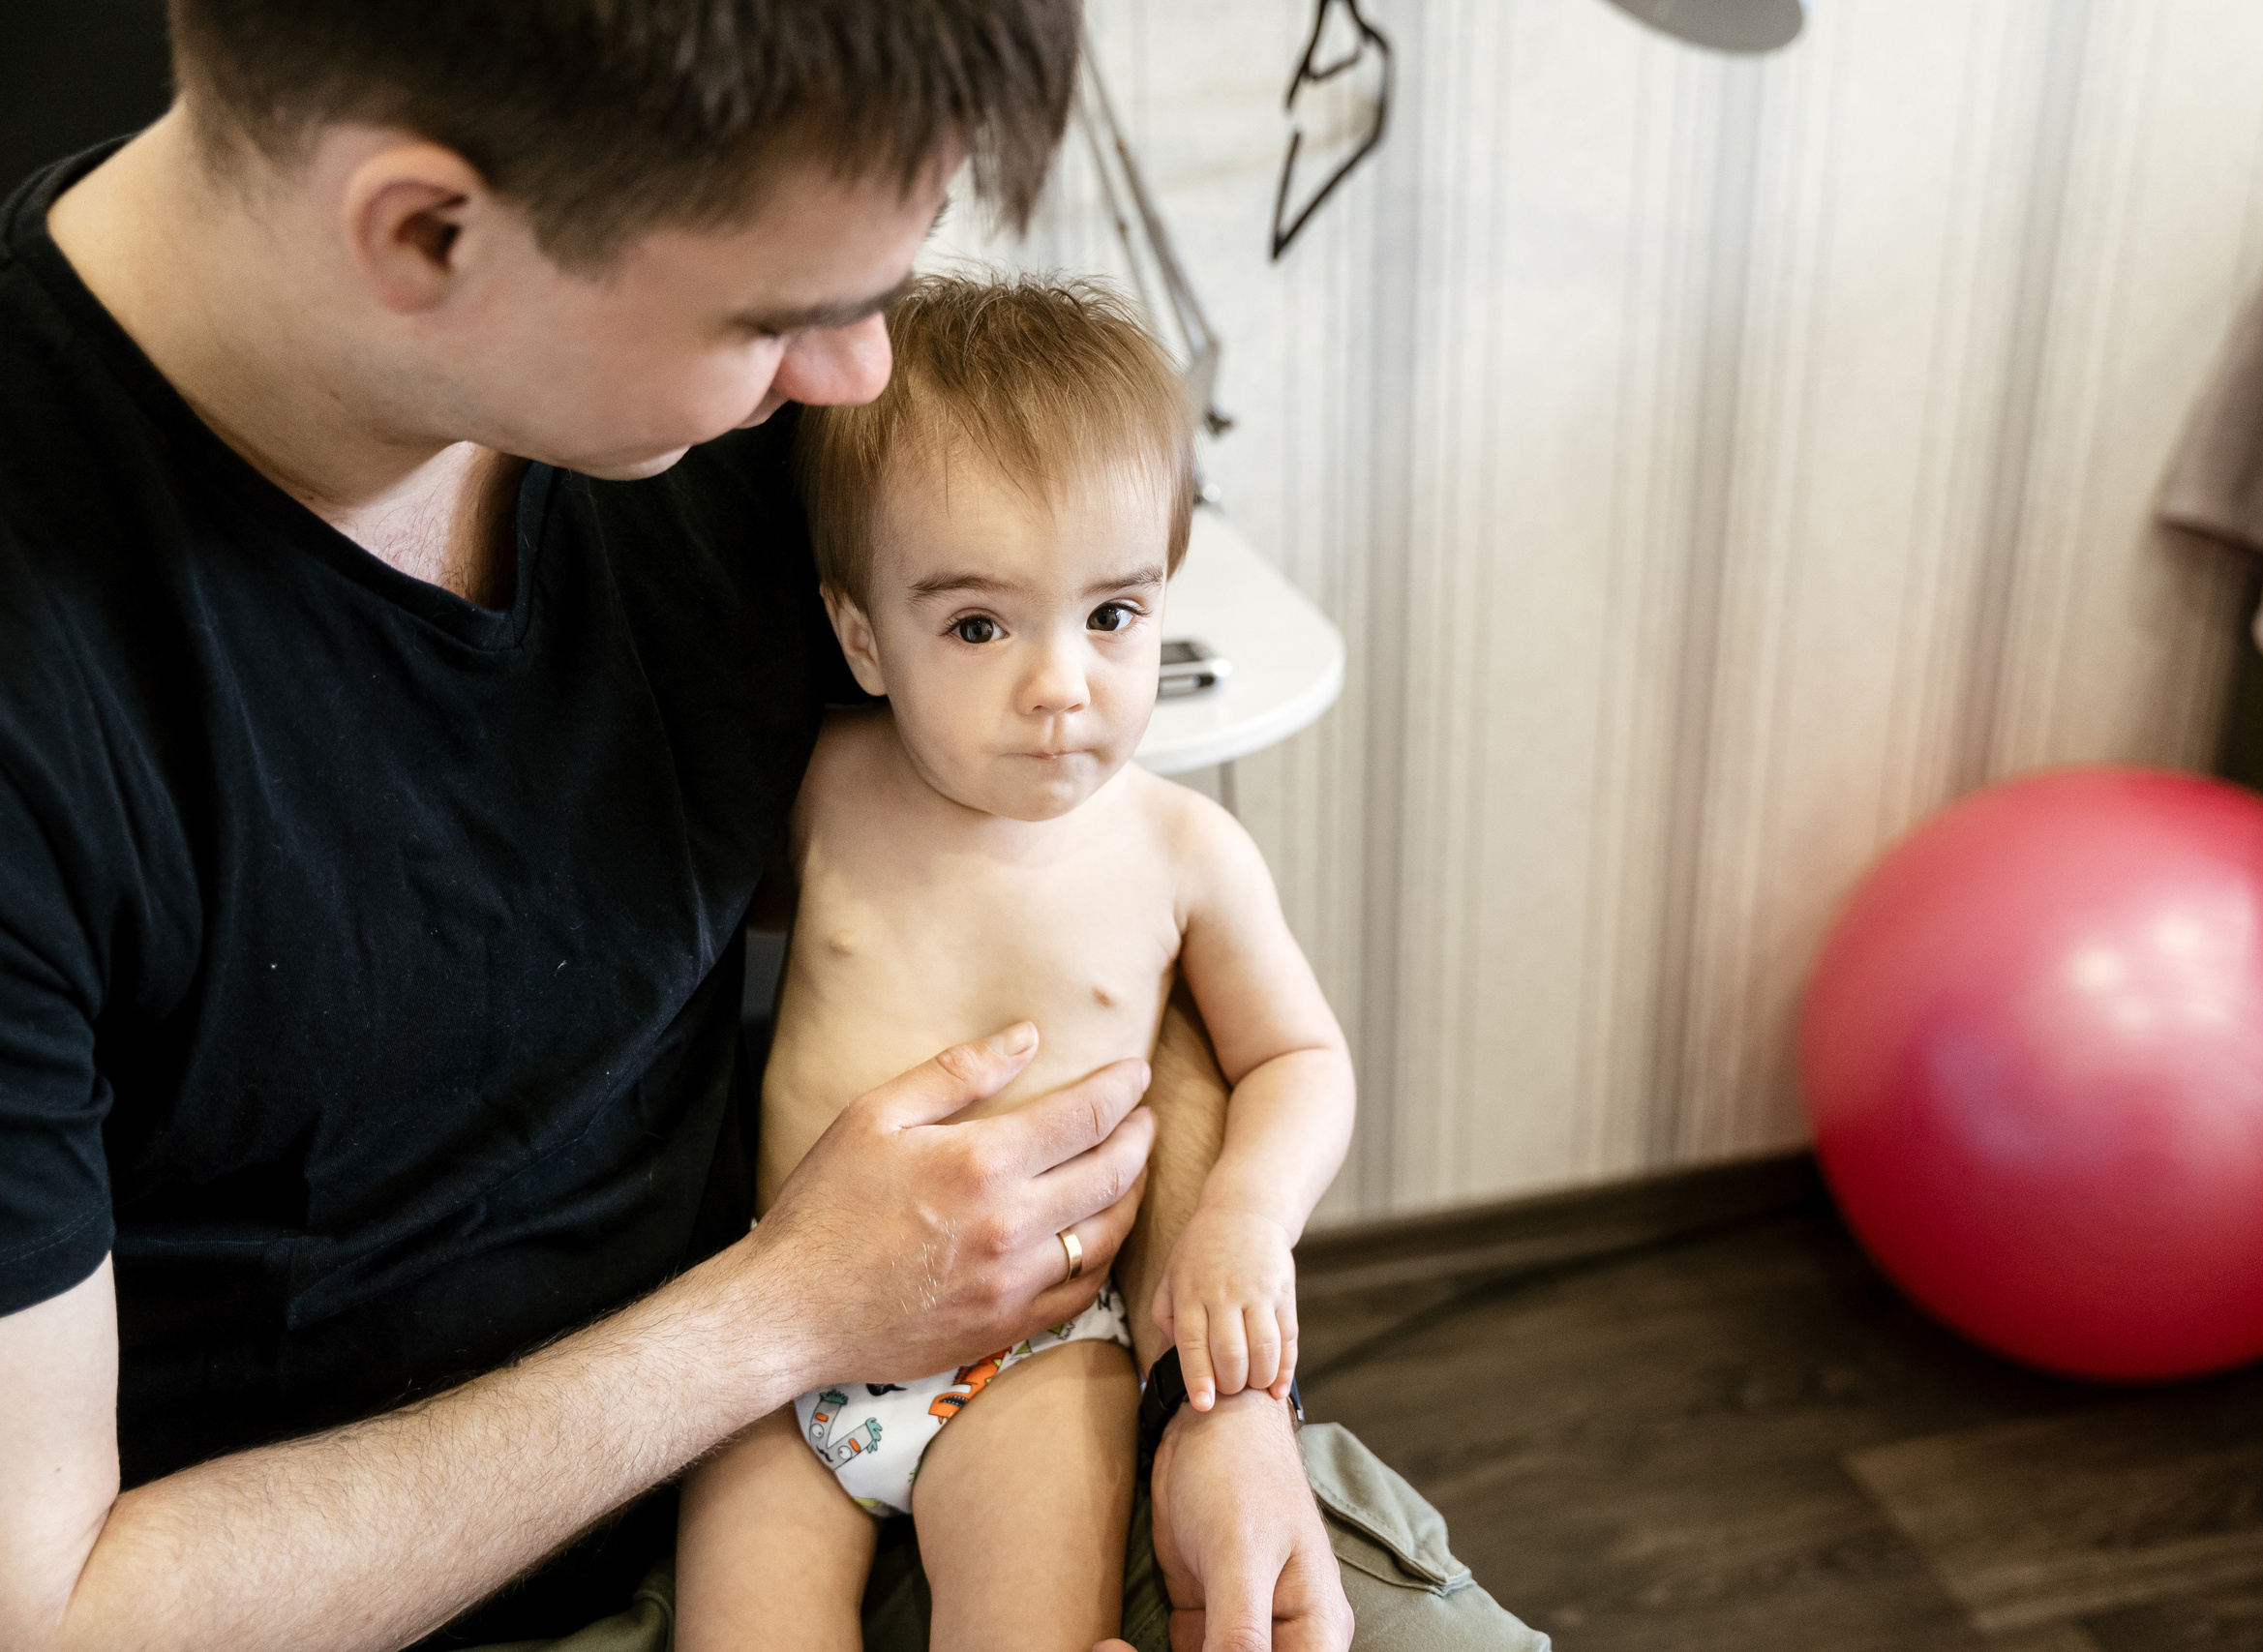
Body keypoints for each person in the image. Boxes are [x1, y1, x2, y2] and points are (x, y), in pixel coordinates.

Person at [0, 4, 1546, 1650]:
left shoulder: (718, 417)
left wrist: (1206, 1386)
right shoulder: (52, 698)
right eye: (783, 317)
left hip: (925, 1399)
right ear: (430, 233)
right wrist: (782, 1313)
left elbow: (1079, 903)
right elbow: (59, 1614)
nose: (857, 373)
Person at [674, 274, 1357, 1651]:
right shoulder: (820, 787)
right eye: (981, 626)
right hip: (786, 1337)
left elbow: (1301, 1057)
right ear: (864, 638)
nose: (1062, 686)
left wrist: (1241, 1220)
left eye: (1112, 614)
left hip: (1036, 1364)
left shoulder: (1186, 853)